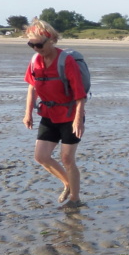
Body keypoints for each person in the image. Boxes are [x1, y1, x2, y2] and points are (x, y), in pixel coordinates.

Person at [22, 19, 87, 208]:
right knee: (41, 156)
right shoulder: (35, 61)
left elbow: (80, 93)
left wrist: (78, 119)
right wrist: (28, 113)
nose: (35, 48)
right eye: (31, 44)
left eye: (39, 44)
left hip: (69, 115)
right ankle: (68, 183)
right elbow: (32, 87)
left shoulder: (65, 61)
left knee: (67, 158)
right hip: (48, 114)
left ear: (51, 40)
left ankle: (75, 199)